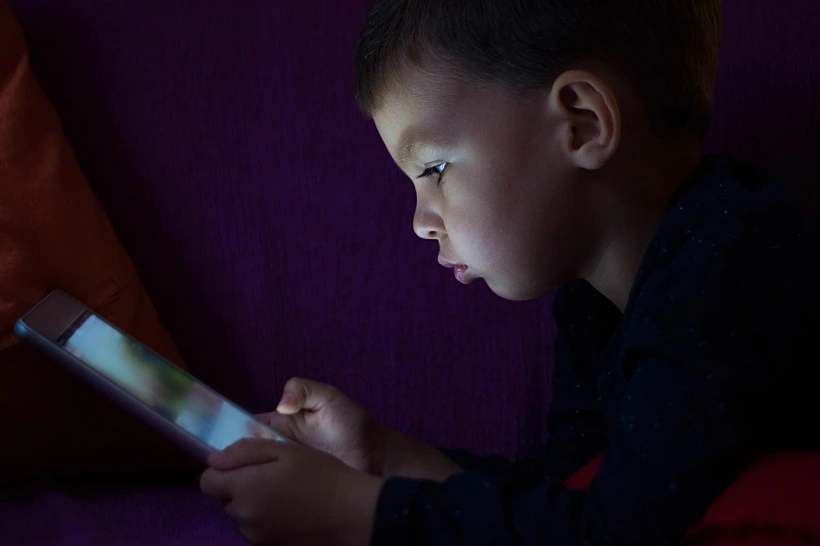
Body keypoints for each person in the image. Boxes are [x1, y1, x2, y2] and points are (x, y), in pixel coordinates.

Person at [198, 1, 820, 544]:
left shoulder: (731, 259)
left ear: (582, 122)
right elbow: (565, 494)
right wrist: (381, 458)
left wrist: (354, 515)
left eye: (435, 169)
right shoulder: (593, 298)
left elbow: (619, 531)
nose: (419, 222)